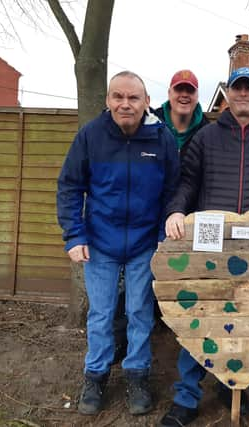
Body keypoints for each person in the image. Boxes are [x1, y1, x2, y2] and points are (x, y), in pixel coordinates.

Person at [159, 67, 249, 427]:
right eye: (237, 88)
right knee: (201, 319)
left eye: (248, 89)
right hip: (210, 243)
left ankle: (230, 384)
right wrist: (176, 210)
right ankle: (186, 397)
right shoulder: (205, 137)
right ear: (228, 94)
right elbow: (187, 183)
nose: (242, 94)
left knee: (245, 320)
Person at [57, 71, 179, 417]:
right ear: (108, 100)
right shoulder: (91, 136)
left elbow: (174, 191)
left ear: (146, 103)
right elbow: (69, 187)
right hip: (100, 243)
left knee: (140, 312)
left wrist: (161, 238)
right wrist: (74, 235)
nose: (125, 104)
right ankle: (95, 376)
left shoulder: (161, 139)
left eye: (133, 98)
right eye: (118, 97)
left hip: (144, 244)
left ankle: (137, 375)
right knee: (101, 314)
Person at [154, 69, 210, 153]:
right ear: (169, 93)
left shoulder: (208, 133)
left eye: (190, 90)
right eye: (179, 89)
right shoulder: (151, 124)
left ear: (197, 96)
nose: (184, 94)